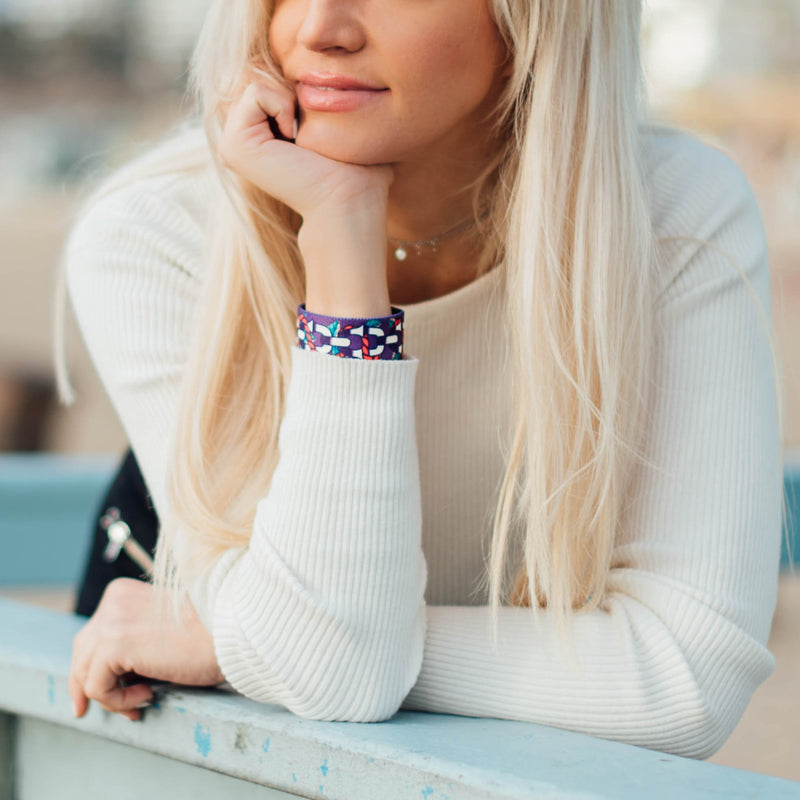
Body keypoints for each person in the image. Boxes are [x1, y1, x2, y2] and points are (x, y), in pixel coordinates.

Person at [53, 0, 785, 760]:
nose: (319, 27)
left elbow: (685, 680)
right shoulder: (157, 230)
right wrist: (339, 229)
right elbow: (329, 665)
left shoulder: (672, 215)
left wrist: (259, 633)